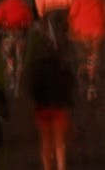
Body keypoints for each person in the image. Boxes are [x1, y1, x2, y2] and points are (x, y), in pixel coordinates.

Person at [26, 37, 75, 170]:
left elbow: (31, 88)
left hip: (42, 109)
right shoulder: (62, 67)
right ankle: (61, 167)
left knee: (45, 141)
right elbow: (70, 84)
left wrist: (34, 102)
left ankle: (47, 167)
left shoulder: (35, 68)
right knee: (60, 143)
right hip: (59, 108)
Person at [68, 0, 105, 94]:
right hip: (98, 32)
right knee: (94, 55)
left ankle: (82, 69)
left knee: (82, 54)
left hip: (81, 34)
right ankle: (92, 81)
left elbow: (72, 14)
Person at [0, 0, 36, 91]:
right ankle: (19, 84)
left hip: (8, 36)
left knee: (8, 58)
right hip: (20, 35)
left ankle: (10, 74)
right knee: (20, 60)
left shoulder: (3, 4)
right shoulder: (23, 4)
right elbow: (30, 21)